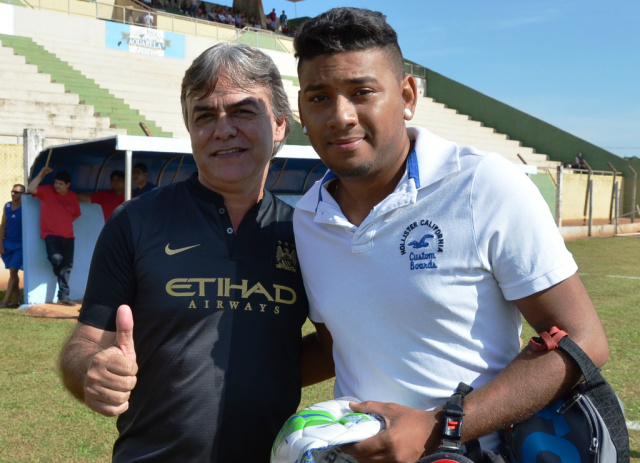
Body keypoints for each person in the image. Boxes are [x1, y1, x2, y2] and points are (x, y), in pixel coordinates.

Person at [292, 7, 609, 462]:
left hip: (474, 451)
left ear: (406, 96)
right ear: (301, 108)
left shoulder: (483, 185)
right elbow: (339, 345)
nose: (340, 116)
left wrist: (438, 427)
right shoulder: (308, 218)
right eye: (319, 97)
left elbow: (584, 339)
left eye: (362, 92)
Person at [59, 43, 333, 463]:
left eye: (243, 111)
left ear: (279, 124)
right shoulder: (136, 222)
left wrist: (265, 368)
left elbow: (334, 346)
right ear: (190, 130)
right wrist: (91, 371)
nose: (223, 129)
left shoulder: (303, 234)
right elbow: (84, 344)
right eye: (204, 115)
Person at [28, 168, 81, 306]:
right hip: (50, 234)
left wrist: (64, 222)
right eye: (56, 183)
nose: (57, 186)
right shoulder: (46, 191)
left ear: (68, 184)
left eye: (60, 184)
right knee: (56, 259)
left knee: (68, 265)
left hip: (69, 236)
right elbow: (31, 188)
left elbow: (75, 214)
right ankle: (60, 273)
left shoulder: (73, 196)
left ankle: (63, 296)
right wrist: (41, 174)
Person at [1, 184, 25, 307]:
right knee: (13, 274)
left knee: (13, 270)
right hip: (8, 244)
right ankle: (17, 299)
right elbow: (3, 225)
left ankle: (5, 301)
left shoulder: (26, 208)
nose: (13, 194)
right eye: (12, 191)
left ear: (23, 194)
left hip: (20, 245)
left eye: (16, 192)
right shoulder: (7, 206)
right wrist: (0, 244)